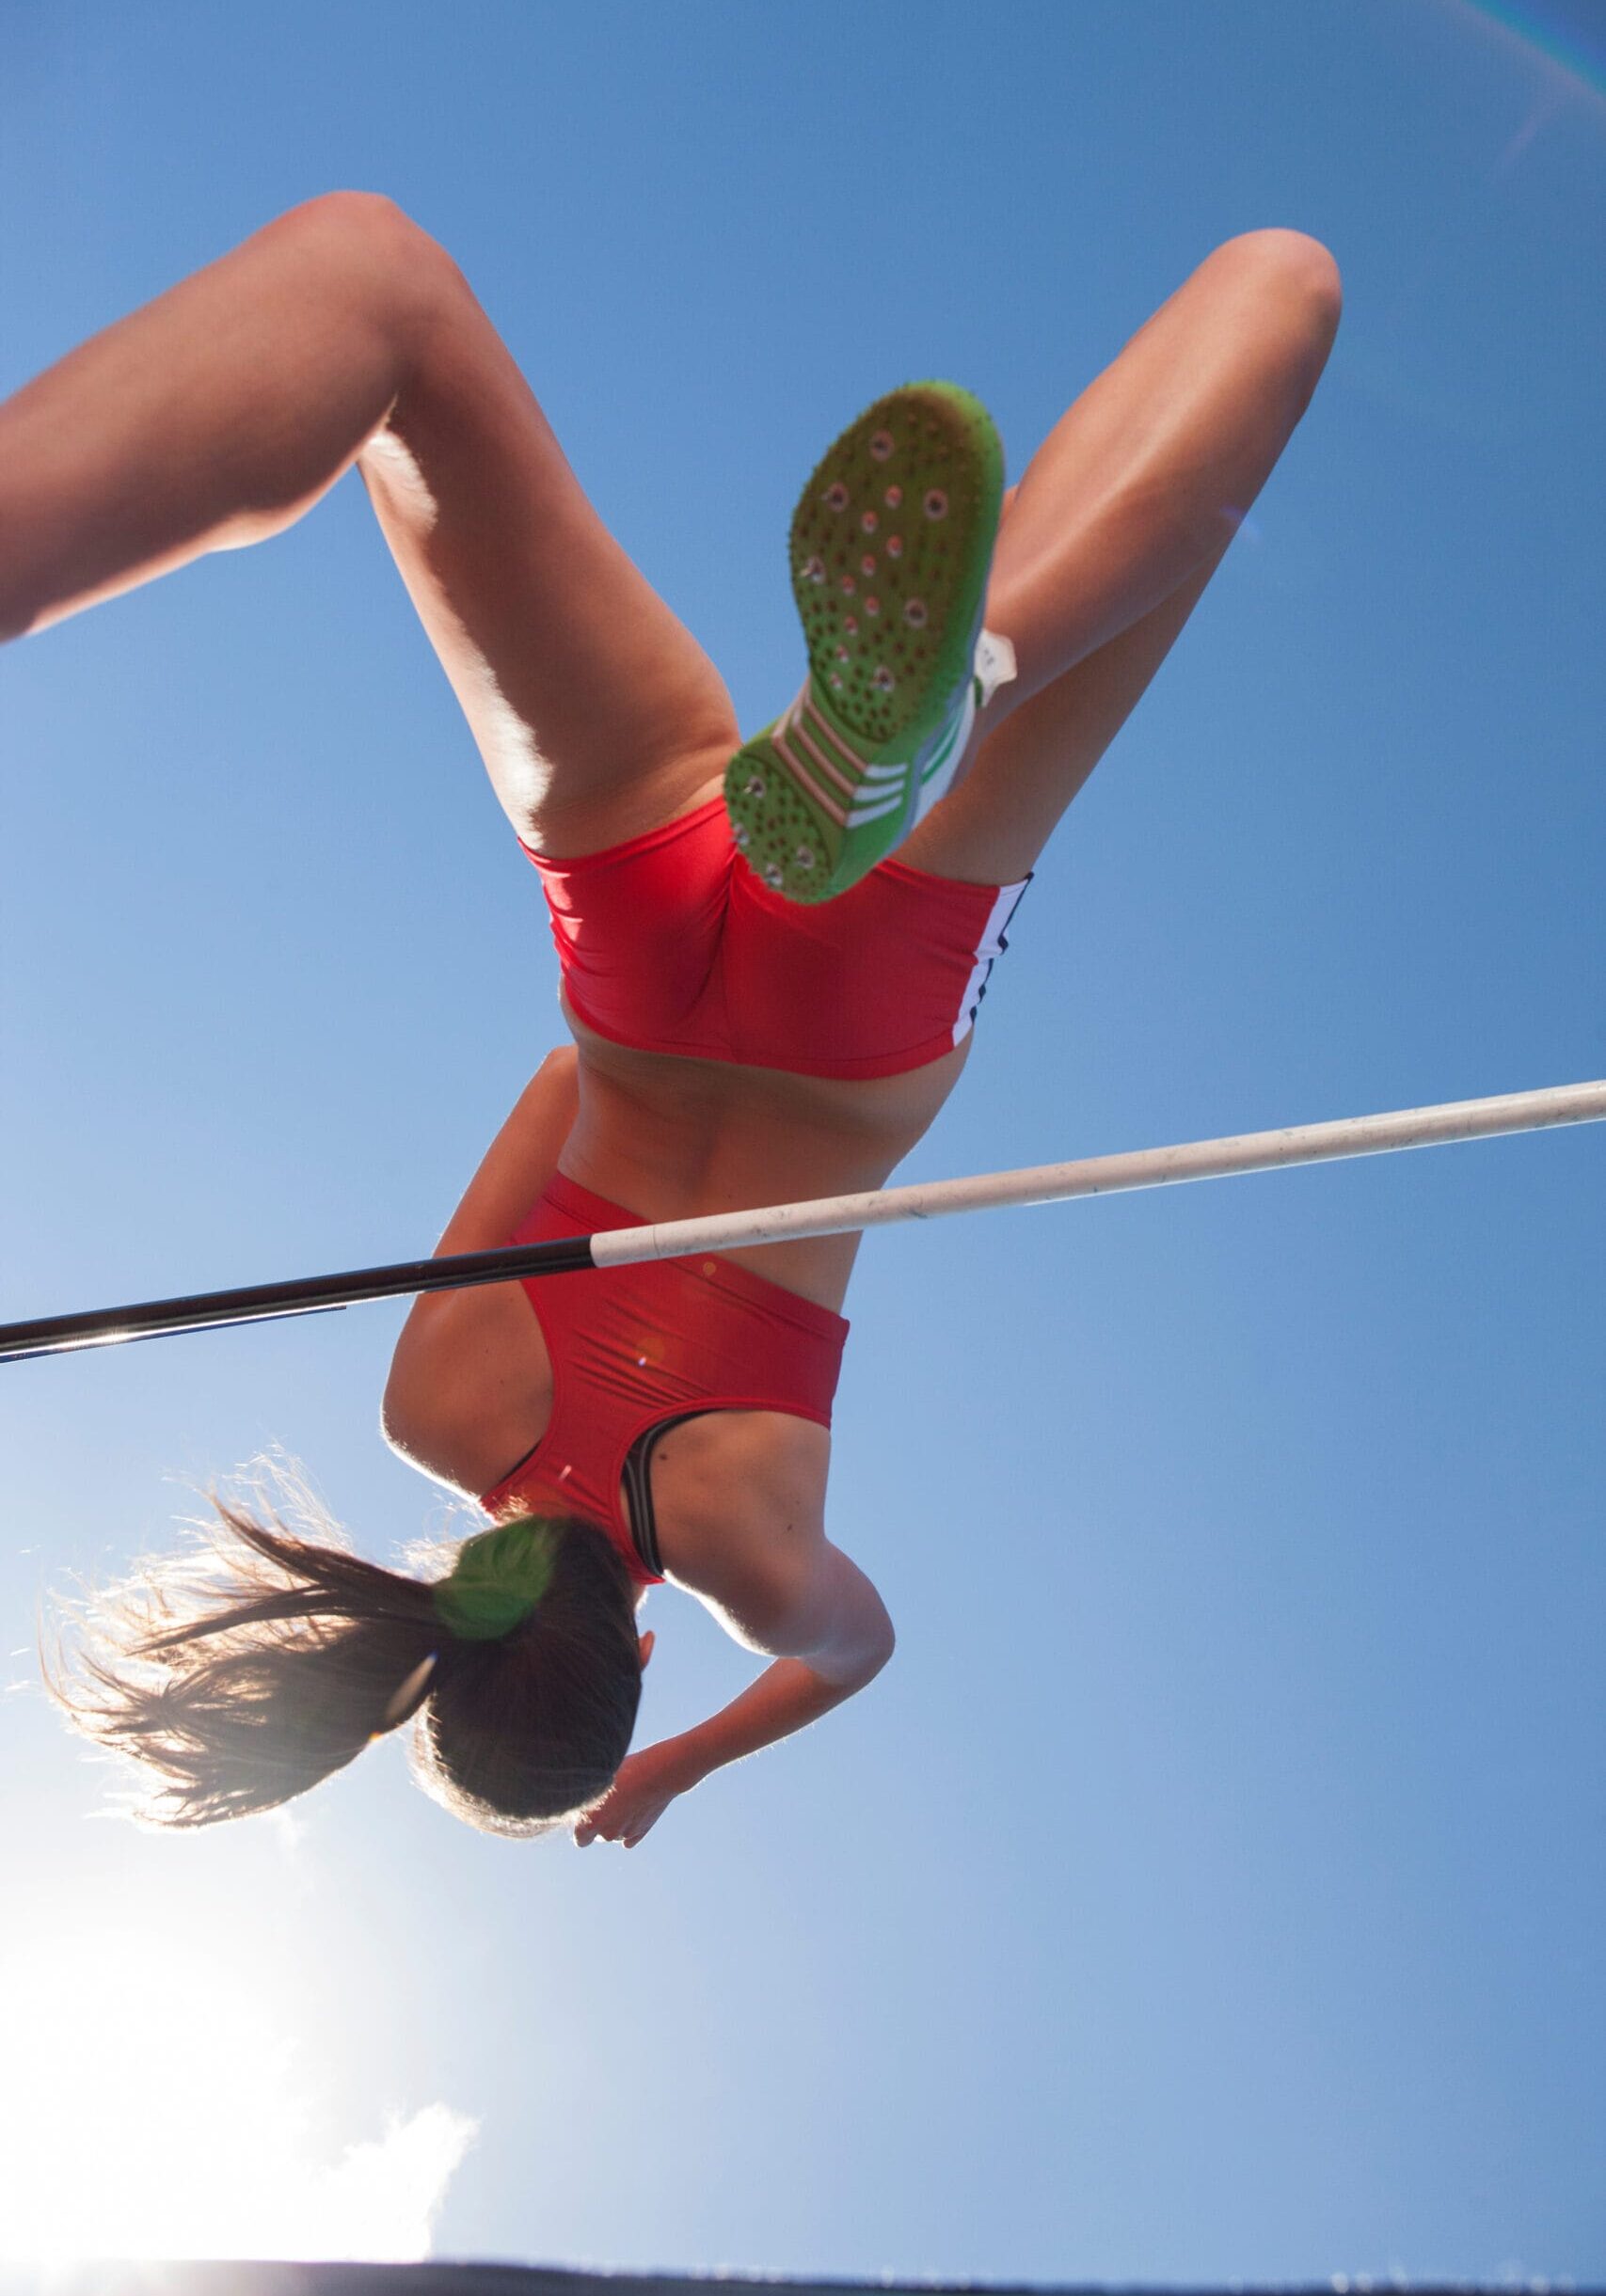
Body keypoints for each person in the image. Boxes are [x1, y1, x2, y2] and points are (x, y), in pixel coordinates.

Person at [12, 195, 1341, 1844]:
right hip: (633, 955)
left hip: (864, 1010)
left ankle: (983, 670)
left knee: (1280, 290)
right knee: (383, 303)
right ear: (453, 1615)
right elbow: (559, 1077)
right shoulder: (434, 1402)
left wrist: (684, 1768)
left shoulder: (753, 1554)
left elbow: (861, 1652)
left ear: (636, 1649)